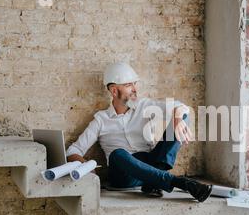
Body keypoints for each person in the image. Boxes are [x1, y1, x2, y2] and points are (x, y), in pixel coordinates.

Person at [66, 62, 212, 202]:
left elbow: (180, 106)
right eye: (129, 85)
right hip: (124, 174)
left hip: (151, 163)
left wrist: (178, 119)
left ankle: (154, 181)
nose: (135, 89)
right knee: (118, 154)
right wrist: (86, 167)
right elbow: (73, 150)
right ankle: (180, 182)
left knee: (182, 115)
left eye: (134, 83)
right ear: (114, 90)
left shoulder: (144, 106)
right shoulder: (101, 119)